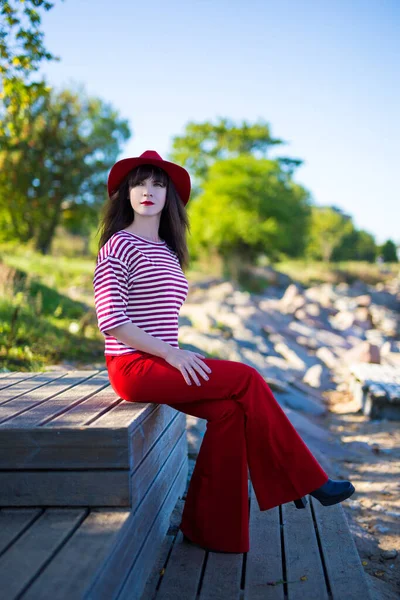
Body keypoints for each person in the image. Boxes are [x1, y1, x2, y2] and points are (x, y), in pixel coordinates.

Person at [92, 150, 355, 554]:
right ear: (125, 194)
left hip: (161, 360)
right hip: (132, 365)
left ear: (169, 198)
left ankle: (210, 530)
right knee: (246, 377)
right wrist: (173, 355)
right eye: (139, 183)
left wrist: (170, 355)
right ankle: (308, 479)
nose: (148, 191)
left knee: (230, 413)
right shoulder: (117, 247)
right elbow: (112, 320)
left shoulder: (166, 251)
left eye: (158, 184)